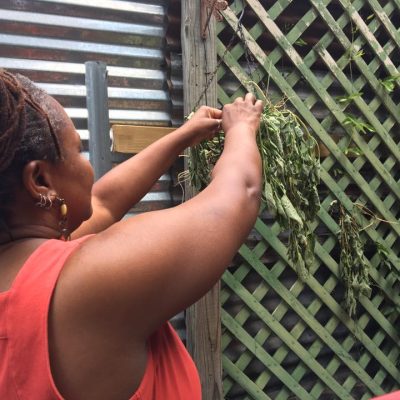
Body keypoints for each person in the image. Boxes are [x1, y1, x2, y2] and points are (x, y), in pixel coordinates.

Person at [0, 69, 263, 400]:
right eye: (78, 150)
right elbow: (239, 195)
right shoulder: (89, 282)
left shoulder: (26, 272)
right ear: (40, 182)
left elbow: (104, 201)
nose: (88, 167)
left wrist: (184, 135)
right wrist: (242, 128)